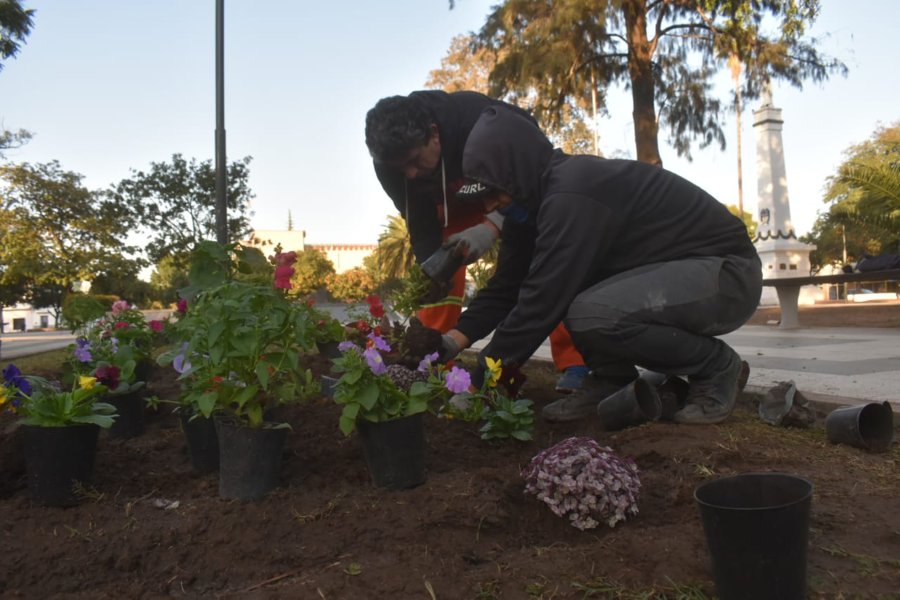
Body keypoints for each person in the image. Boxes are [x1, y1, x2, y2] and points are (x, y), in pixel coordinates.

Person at [440, 106, 762, 425]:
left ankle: (716, 366)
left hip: (728, 275)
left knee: (588, 311)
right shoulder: (529, 210)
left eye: (493, 191)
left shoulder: (572, 192)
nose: (489, 205)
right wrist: (449, 341)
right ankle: (611, 378)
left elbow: (542, 300)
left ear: (517, 170)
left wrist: (483, 380)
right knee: (582, 300)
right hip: (686, 276)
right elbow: (507, 289)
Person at [364, 91, 588, 392]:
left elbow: (533, 174)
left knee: (545, 267)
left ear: (434, 134)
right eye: (402, 168)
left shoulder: (479, 120)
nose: (412, 174)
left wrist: (493, 224)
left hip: (505, 188)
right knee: (438, 271)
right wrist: (431, 265)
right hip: (450, 203)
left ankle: (575, 361)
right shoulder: (391, 163)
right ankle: (436, 355)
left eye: (415, 161)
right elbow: (419, 218)